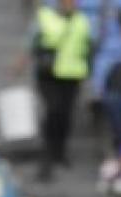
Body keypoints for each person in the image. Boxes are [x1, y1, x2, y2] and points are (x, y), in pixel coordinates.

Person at [13, 0, 92, 182]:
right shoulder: (45, 18)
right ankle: (47, 152)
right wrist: (21, 63)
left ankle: (60, 152)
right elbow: (31, 41)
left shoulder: (83, 21)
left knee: (65, 115)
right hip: (48, 74)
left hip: (72, 75)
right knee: (53, 110)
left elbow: (88, 47)